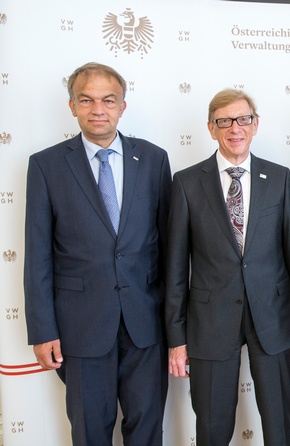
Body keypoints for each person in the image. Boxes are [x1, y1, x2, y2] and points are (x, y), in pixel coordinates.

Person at [24, 62, 171, 445]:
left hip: (147, 325)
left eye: (108, 99)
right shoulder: (46, 165)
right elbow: (38, 253)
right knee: (90, 432)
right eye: (86, 99)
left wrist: (177, 326)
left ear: (123, 105)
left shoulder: (154, 160)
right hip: (81, 328)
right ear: (72, 106)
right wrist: (43, 331)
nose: (98, 109)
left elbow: (171, 248)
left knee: (147, 431)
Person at [165, 88, 290, 445]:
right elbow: (174, 267)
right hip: (209, 323)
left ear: (255, 124)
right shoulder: (186, 182)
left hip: (272, 318)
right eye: (224, 121)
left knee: (279, 425)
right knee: (213, 428)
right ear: (211, 128)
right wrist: (176, 338)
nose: (235, 128)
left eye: (243, 119)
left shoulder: (278, 177)